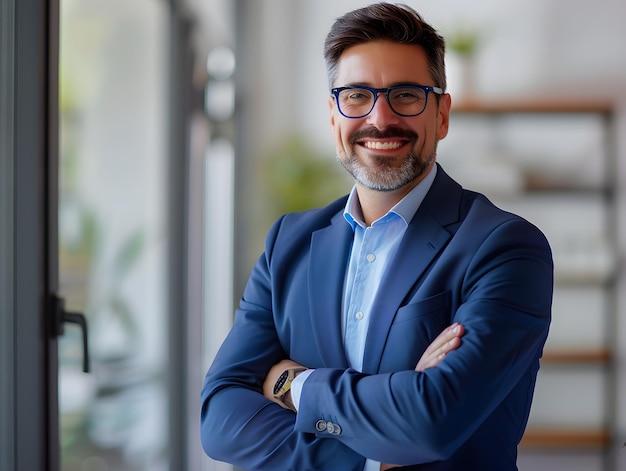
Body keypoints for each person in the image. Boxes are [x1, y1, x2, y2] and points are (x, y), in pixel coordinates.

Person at [200, 3, 553, 470]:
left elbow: (431, 423)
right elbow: (220, 416)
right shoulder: (288, 243)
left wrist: (294, 385)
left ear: (441, 115)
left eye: (406, 95)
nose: (380, 118)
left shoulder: (506, 249)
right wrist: (374, 451)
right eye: (356, 95)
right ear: (333, 115)